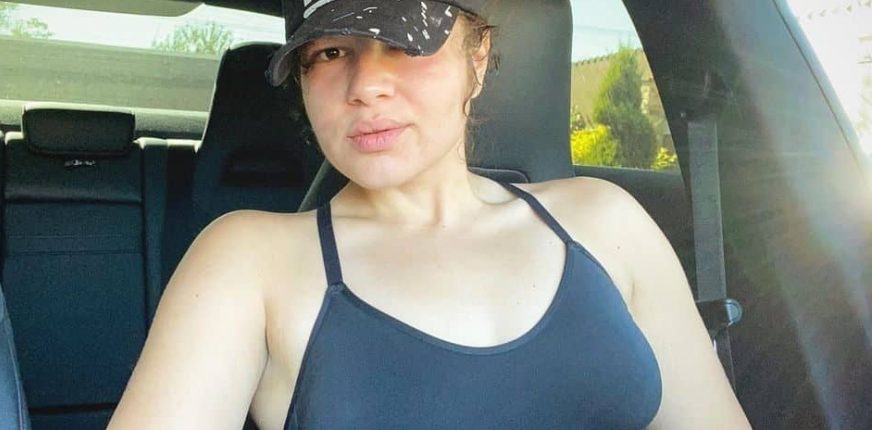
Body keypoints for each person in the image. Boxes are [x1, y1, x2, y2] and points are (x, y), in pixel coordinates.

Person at [109, 0, 751, 428]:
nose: (365, 85)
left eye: (401, 42)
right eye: (329, 53)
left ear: (478, 59)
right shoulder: (249, 259)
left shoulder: (606, 221)